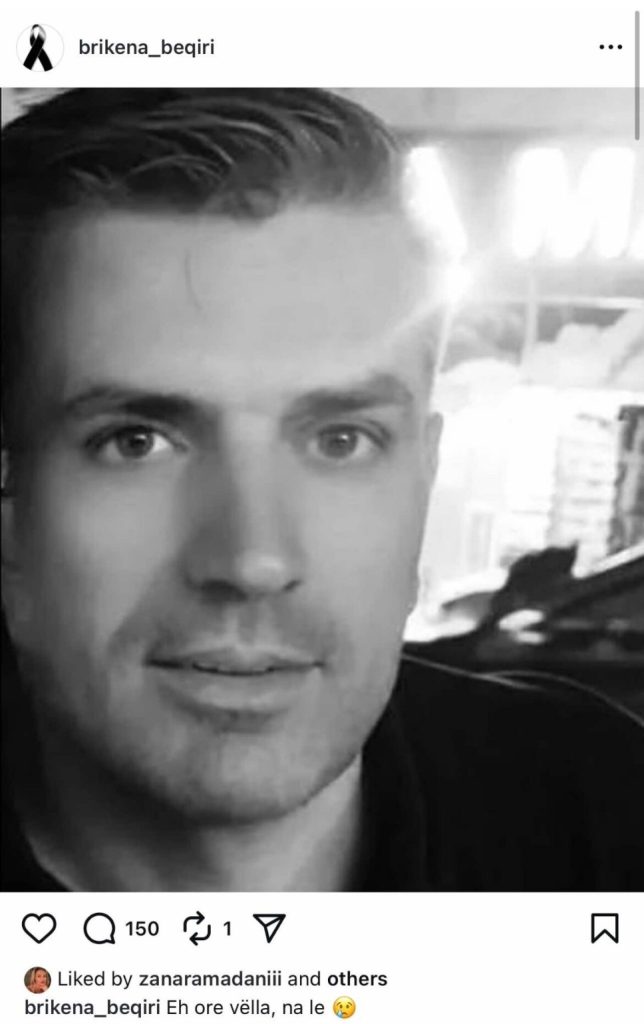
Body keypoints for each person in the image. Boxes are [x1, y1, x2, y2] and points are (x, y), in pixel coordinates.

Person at [1, 88, 643, 892]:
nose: (253, 561)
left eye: (341, 440)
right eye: (137, 442)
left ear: (423, 480)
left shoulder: (606, 813)